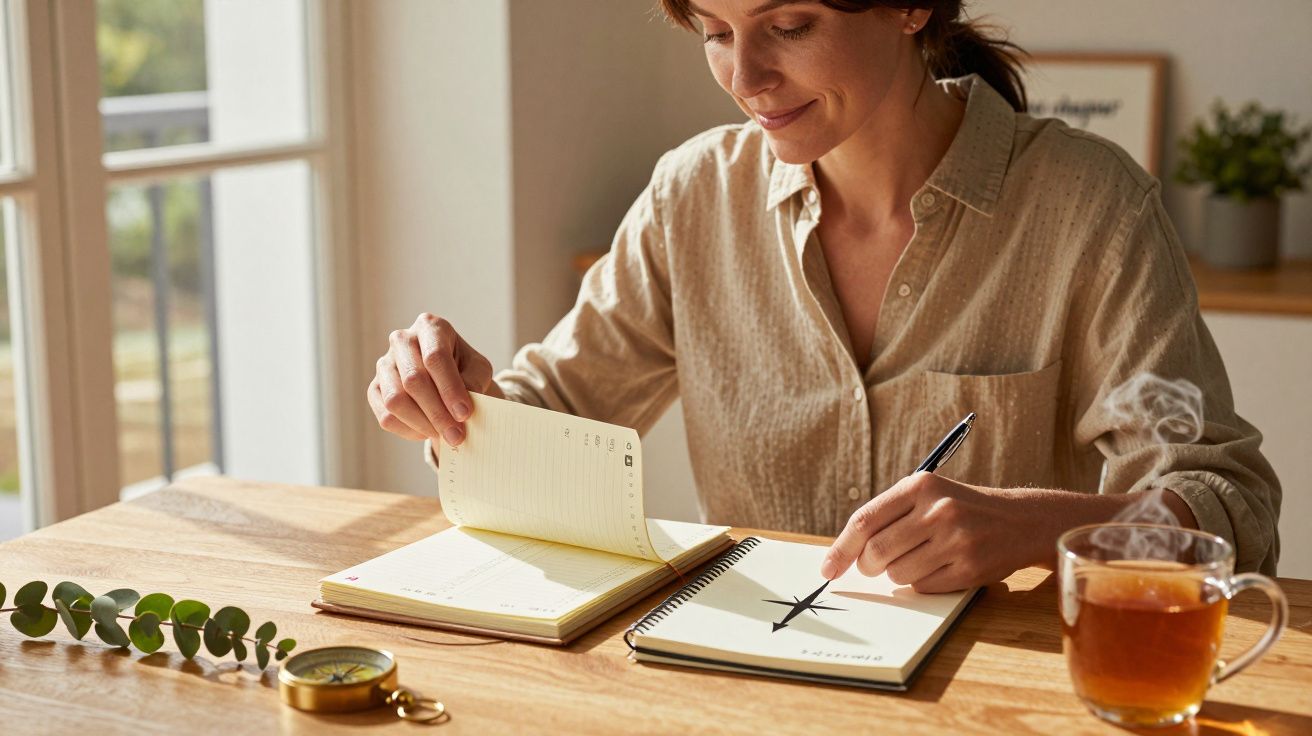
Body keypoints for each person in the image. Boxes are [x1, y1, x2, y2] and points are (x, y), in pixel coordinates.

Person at [367, 0, 1281, 590]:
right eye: (717, 34)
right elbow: (549, 417)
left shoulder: (1089, 205)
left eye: (790, 25)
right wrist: (454, 403)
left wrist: (1034, 529)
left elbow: (1228, 512)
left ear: (909, 7)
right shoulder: (693, 197)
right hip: (749, 689)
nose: (746, 79)